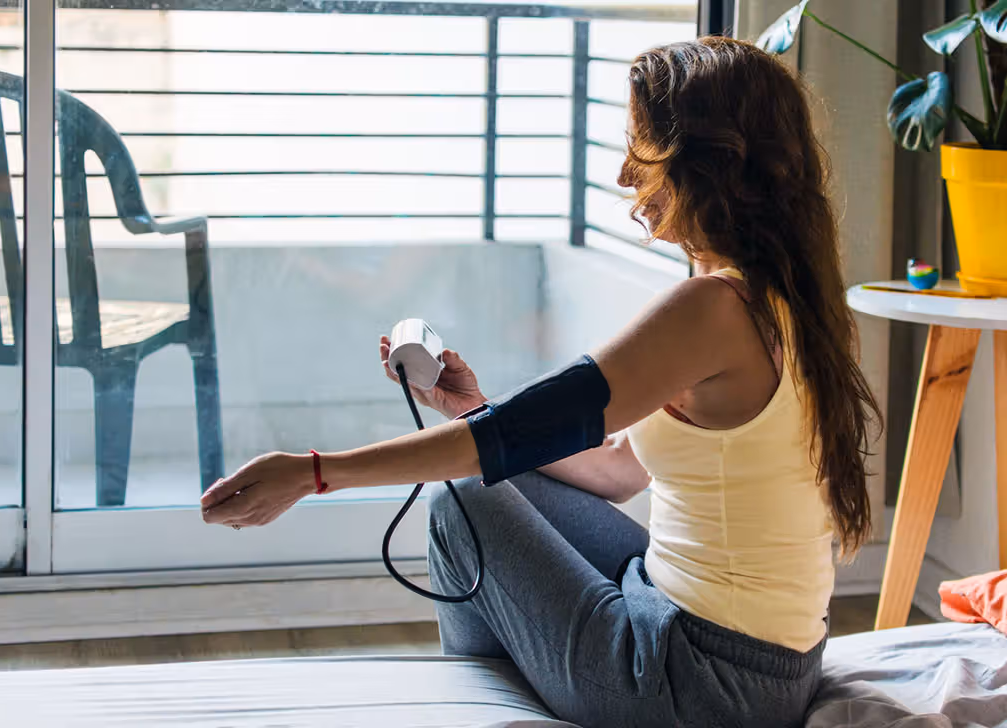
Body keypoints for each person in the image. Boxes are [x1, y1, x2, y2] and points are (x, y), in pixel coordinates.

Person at [200, 36, 880, 728]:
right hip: (753, 660)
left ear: (704, 162)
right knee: (500, 478)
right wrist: (473, 408)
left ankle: (484, 712)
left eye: (638, 150)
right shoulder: (794, 300)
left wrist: (313, 472)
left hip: (702, 683)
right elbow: (618, 472)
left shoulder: (713, 309)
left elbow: (517, 435)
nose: (622, 175)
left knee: (463, 499)